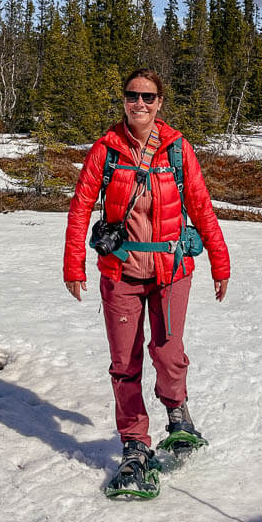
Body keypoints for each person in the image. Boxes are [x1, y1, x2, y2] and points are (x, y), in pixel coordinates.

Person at [63, 68, 230, 493]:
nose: (139, 103)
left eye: (148, 97)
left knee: (168, 352)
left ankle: (177, 411)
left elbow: (201, 206)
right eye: (132, 95)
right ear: (124, 100)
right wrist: (73, 264)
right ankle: (135, 445)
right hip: (120, 272)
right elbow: (81, 206)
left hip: (171, 271)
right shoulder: (106, 149)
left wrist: (220, 262)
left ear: (160, 103)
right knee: (124, 364)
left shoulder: (177, 149)